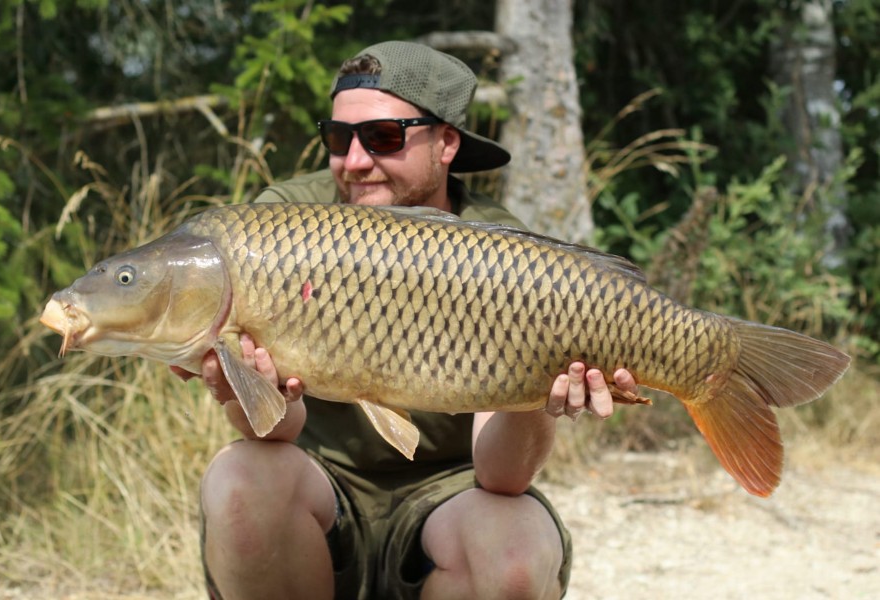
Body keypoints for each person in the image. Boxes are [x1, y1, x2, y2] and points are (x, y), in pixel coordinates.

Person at [178, 41, 638, 600]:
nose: (354, 161)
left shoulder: (502, 253)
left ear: (446, 143)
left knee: (516, 553)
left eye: (383, 138)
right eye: (337, 138)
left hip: (451, 493)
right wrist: (238, 388)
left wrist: (540, 399)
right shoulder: (278, 227)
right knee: (241, 485)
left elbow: (502, 477)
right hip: (319, 489)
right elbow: (276, 431)